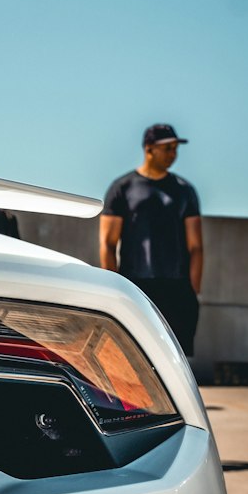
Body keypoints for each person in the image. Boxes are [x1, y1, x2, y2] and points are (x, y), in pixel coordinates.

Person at [100, 123, 203, 354]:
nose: (173, 154)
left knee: (176, 359)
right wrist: (116, 288)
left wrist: (192, 289)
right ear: (149, 149)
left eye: (176, 148)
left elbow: (196, 246)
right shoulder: (122, 188)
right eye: (167, 148)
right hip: (137, 286)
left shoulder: (185, 190)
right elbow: (108, 243)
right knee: (134, 355)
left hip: (177, 289)